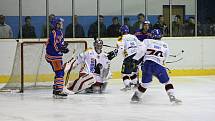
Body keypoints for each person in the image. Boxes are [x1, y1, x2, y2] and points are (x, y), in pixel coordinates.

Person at [130, 29, 182, 104]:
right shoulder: (165, 45)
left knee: (145, 84)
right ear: (161, 36)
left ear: (151, 35)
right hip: (158, 66)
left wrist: (134, 60)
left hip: (147, 65)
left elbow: (141, 51)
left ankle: (135, 97)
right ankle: (172, 98)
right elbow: (165, 58)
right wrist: (162, 63)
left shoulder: (146, 41)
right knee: (167, 82)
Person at [45, 17, 69, 98]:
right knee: (60, 72)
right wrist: (61, 49)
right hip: (53, 56)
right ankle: (58, 90)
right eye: (60, 23)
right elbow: (55, 45)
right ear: (56, 24)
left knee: (59, 71)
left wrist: (63, 46)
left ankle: (56, 88)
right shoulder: (54, 33)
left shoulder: (60, 32)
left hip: (57, 56)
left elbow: (59, 43)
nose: (61, 25)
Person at [117, 25, 140, 91]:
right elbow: (140, 45)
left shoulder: (121, 38)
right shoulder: (133, 36)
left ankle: (127, 86)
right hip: (137, 56)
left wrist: (117, 51)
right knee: (133, 72)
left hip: (129, 57)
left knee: (124, 73)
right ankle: (136, 84)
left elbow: (121, 48)